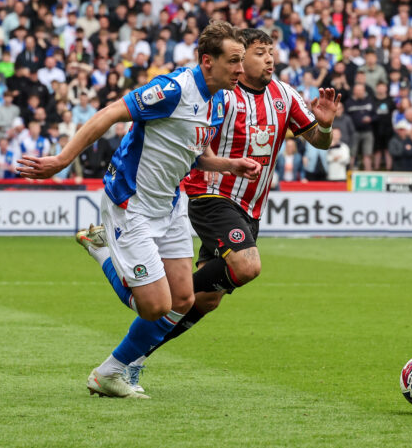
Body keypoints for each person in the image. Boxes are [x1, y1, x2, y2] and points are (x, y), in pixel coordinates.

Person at [16, 22, 262, 399]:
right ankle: (101, 249)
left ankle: (108, 374)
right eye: (234, 62)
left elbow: (199, 155)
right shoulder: (173, 89)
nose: (241, 70)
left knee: (183, 301)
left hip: (171, 204)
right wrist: (62, 159)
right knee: (155, 307)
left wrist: (229, 165)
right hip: (132, 204)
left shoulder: (220, 99)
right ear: (207, 61)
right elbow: (110, 113)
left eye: (242, 62)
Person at [121, 28, 339, 393]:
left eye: (271, 51)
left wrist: (327, 124)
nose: (268, 58)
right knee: (247, 265)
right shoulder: (222, 94)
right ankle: (157, 296)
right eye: (259, 52)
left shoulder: (284, 95)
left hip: (251, 210)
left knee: (205, 301)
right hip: (211, 195)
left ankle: (133, 358)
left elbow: (318, 141)